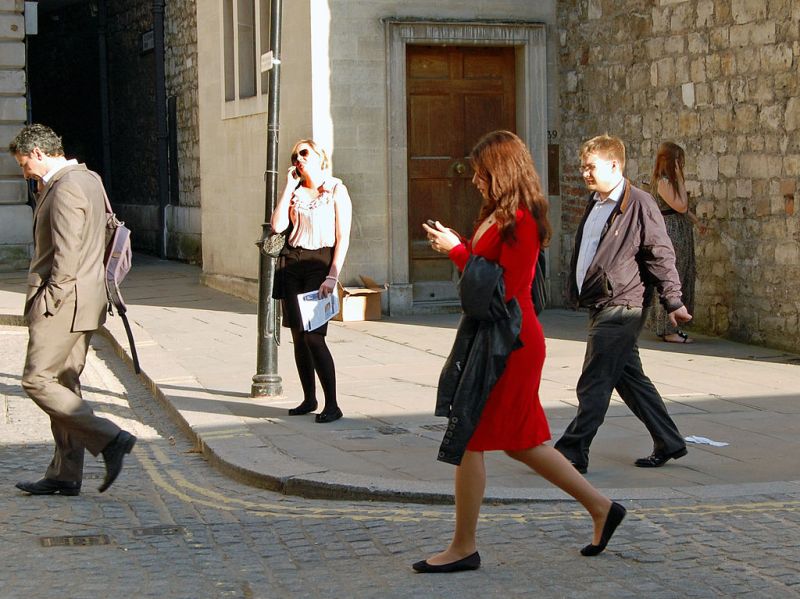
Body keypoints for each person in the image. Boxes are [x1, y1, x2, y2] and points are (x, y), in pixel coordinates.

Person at [414, 130, 625, 574]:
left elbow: (500, 292)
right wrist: (460, 246)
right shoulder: (497, 214)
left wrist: (457, 252)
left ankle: (463, 546)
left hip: (513, 342)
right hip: (497, 339)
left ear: (501, 171)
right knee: (523, 444)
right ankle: (602, 509)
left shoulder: (522, 222)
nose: (474, 179)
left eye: (481, 172)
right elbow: (485, 270)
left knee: (473, 436)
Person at [9, 123, 136, 496]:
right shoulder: (88, 178)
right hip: (86, 300)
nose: (24, 172)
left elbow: (66, 254)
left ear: (38, 154)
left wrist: (50, 300)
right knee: (64, 382)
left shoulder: (64, 188)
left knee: (37, 380)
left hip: (64, 302)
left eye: (23, 164)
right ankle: (65, 474)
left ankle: (111, 438)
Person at [554, 134, 691, 474]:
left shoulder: (639, 203)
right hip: (600, 302)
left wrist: (673, 300)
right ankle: (669, 440)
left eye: (591, 167)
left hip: (623, 305)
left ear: (614, 164)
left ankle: (572, 450)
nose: (585, 173)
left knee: (594, 379)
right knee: (629, 379)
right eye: (583, 167)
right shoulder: (596, 202)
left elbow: (660, 253)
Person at [271, 139, 352, 423]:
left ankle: (333, 404)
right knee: (297, 336)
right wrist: (287, 188)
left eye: (304, 153)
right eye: (295, 155)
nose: (299, 158)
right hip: (291, 262)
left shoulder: (335, 191)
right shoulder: (295, 193)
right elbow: (277, 226)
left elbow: (343, 238)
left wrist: (333, 275)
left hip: (319, 263)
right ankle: (309, 398)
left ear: (320, 157)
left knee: (314, 337)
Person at [647, 141, 702, 343]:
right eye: (679, 161)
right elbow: (680, 205)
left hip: (680, 231)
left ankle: (674, 326)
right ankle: (668, 328)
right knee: (672, 278)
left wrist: (697, 222)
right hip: (672, 233)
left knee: (683, 275)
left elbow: (683, 209)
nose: (682, 164)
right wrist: (679, 178)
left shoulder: (668, 182)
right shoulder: (664, 181)